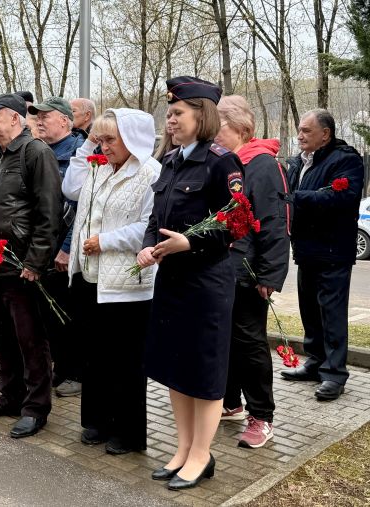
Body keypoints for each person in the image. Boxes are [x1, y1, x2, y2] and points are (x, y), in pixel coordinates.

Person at [136, 77, 243, 490]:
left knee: (203, 371)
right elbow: (155, 218)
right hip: (173, 282)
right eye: (169, 113)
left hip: (206, 284)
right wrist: (149, 246)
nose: (170, 120)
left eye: (177, 113)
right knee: (176, 367)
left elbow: (235, 224)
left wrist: (188, 242)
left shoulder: (222, 163)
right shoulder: (171, 160)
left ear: (203, 115)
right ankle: (182, 450)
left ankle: (201, 455)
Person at [63, 108, 160, 454]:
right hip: (91, 276)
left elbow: (149, 225)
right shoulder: (99, 167)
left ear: (132, 138)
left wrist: (106, 241)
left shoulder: (150, 172)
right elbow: (70, 189)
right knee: (95, 356)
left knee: (125, 361)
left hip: (127, 282)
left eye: (110, 140)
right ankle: (97, 421)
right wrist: (86, 144)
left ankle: (127, 432)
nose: (103, 147)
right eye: (99, 139)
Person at [0, 93, 62, 439]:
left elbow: (49, 212)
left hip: (20, 265)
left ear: (16, 119)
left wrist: (35, 261)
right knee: (2, 338)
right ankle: (10, 396)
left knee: (30, 341)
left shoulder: (35, 152)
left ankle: (35, 408)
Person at [215, 95, 290, 448]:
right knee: (226, 339)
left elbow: (275, 222)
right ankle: (231, 403)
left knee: (249, 343)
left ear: (241, 128)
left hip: (248, 272)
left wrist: (269, 275)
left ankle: (261, 415)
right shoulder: (226, 163)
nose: (214, 133)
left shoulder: (262, 165)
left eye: (220, 126)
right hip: (222, 270)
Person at [280, 109, 365, 402]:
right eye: (299, 130)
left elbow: (342, 197)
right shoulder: (299, 161)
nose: (299, 136)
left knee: (332, 313)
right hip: (305, 249)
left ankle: (334, 374)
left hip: (333, 251)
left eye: (306, 131)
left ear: (325, 134)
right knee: (309, 310)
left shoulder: (346, 159)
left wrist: (294, 198)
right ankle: (315, 363)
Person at [29, 96, 86, 397]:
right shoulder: (38, 151)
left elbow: (80, 208)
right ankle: (59, 367)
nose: (39, 121)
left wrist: (67, 247)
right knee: (48, 314)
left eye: (45, 117)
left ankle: (75, 372)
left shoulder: (78, 153)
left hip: (64, 248)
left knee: (68, 314)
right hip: (41, 245)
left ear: (64, 121)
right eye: (37, 117)